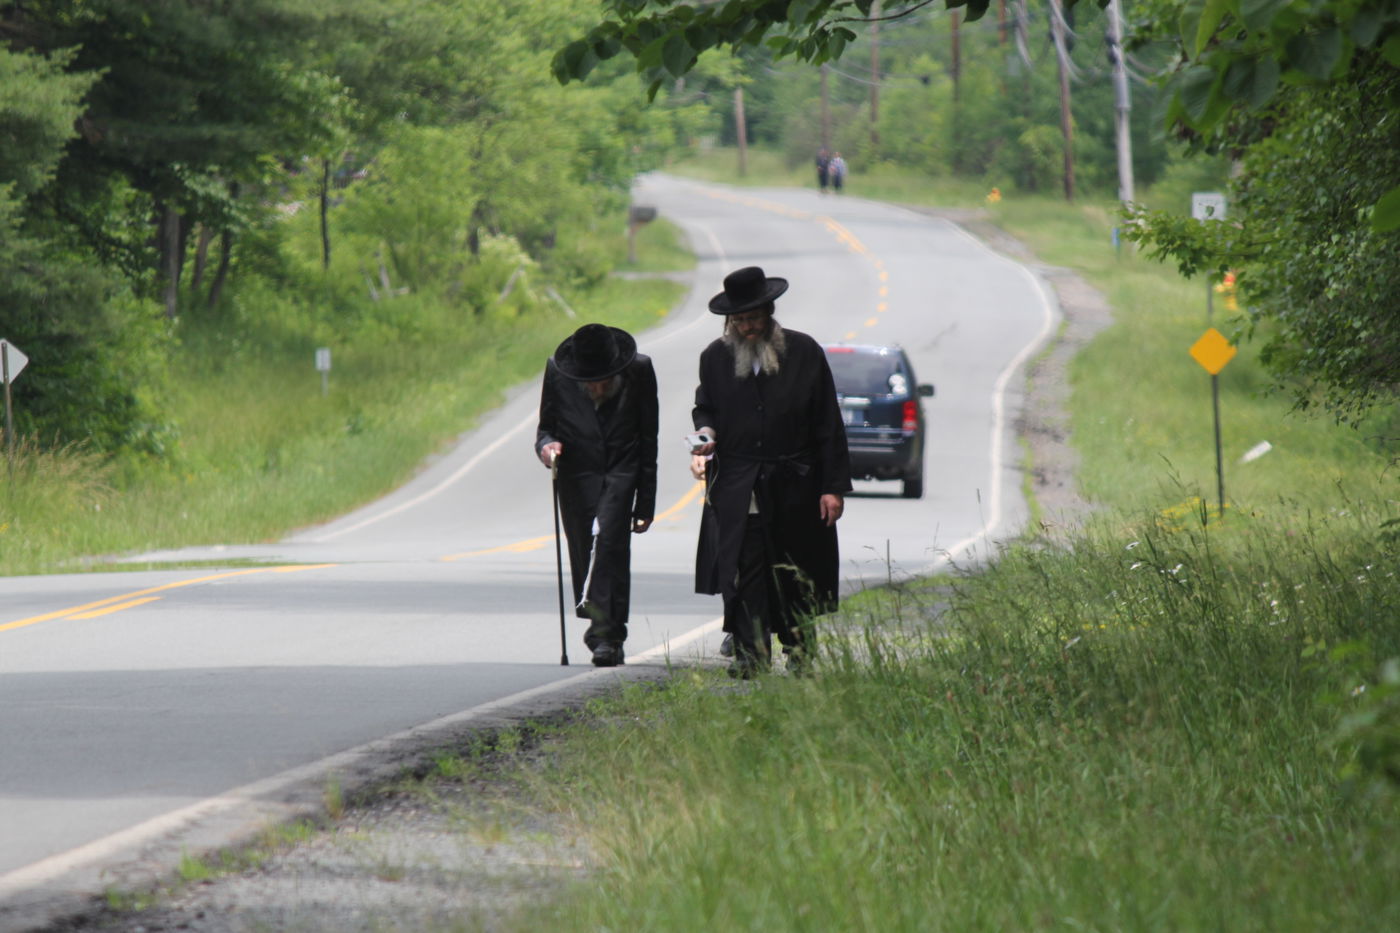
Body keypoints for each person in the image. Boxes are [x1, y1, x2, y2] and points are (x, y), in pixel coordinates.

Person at [691, 266, 852, 677]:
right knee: (744, 569)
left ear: (770, 312)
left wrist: (833, 488)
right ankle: (750, 654)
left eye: (754, 318)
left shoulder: (804, 352)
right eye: (739, 320)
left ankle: (799, 653)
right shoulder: (714, 357)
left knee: (796, 572)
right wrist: (705, 435)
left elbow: (828, 424)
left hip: (796, 483)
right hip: (739, 482)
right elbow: (705, 407)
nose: (747, 327)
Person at [535, 323, 658, 667]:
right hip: (576, 477)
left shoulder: (641, 370)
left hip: (622, 472)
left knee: (608, 545)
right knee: (587, 553)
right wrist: (548, 449)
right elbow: (545, 430)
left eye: (604, 378)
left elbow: (650, 438)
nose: (597, 386)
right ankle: (608, 630)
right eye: (589, 381)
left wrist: (645, 501)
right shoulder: (557, 373)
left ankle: (604, 637)